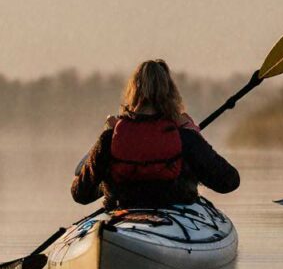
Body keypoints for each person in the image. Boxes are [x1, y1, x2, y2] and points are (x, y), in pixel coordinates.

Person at [72, 59, 239, 209]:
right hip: (174, 208)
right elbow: (229, 181)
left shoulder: (110, 138)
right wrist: (193, 134)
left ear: (132, 92)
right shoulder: (185, 138)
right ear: (170, 93)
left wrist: (108, 133)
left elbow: (81, 195)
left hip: (123, 208)